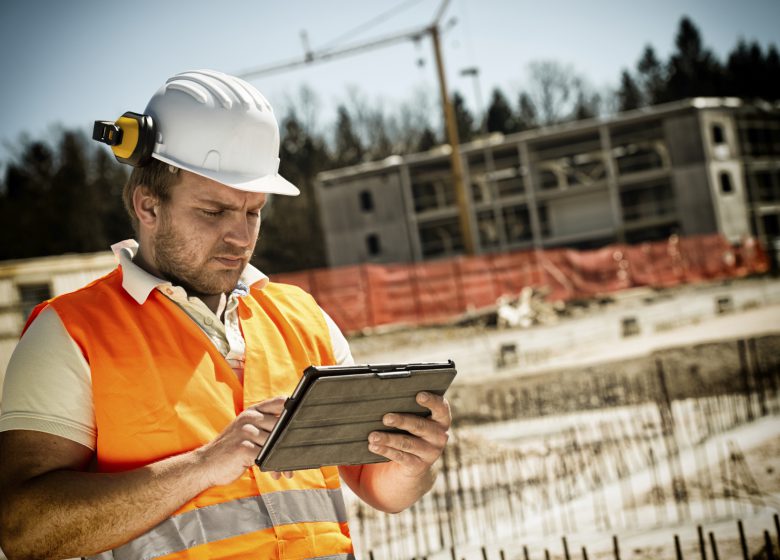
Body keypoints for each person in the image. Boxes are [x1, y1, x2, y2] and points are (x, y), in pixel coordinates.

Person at [0, 70, 451, 560]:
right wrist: (203, 465)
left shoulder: (301, 315)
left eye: (252, 212)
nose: (240, 237)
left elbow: (376, 486)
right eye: (214, 212)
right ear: (147, 205)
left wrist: (412, 463)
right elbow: (25, 531)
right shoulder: (71, 333)